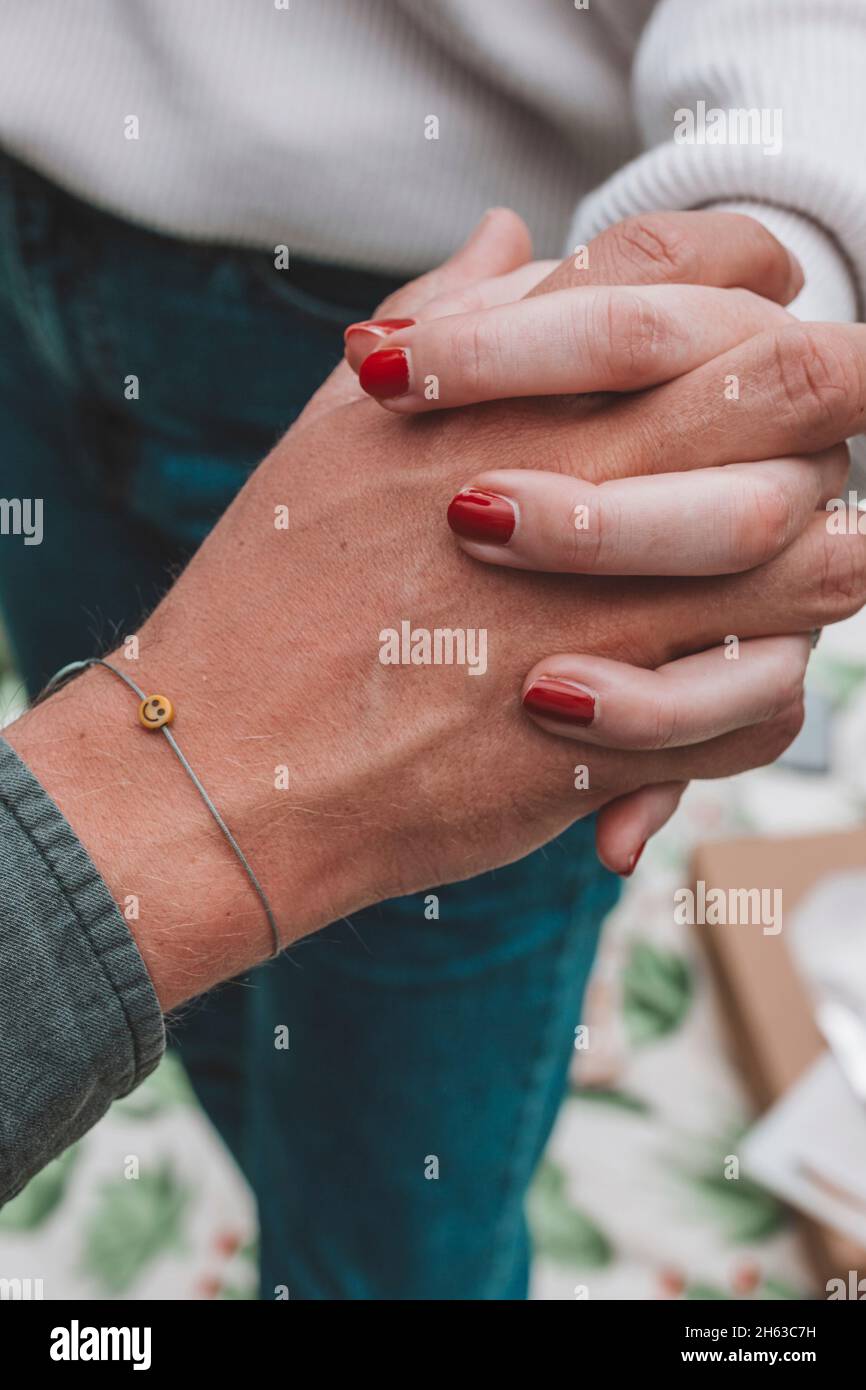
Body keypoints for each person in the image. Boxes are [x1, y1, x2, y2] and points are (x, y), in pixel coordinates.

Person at [0, 0, 864, 1298]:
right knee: (209, 1018)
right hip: (27, 251)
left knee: (392, 1205)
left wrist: (754, 290)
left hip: (463, 358)